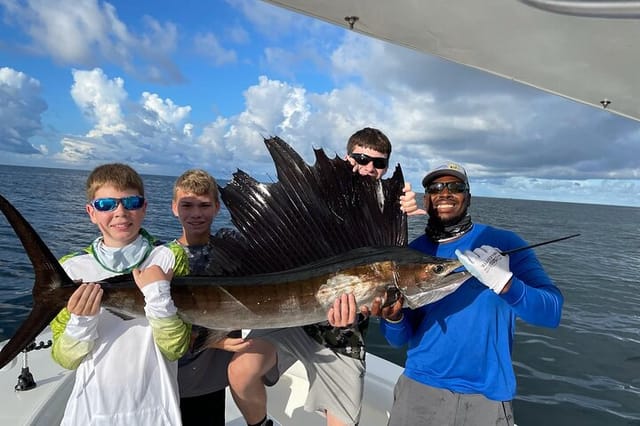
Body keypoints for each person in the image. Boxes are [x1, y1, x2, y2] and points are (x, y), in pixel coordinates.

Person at [227, 127, 418, 426]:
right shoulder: (318, 197)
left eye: (379, 163)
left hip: (343, 335)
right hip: (291, 322)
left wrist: (418, 208)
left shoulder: (387, 212)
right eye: (362, 158)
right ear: (347, 157)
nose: (369, 168)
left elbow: (398, 280)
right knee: (240, 370)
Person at [370, 161, 564, 425]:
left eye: (455, 186)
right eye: (436, 187)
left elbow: (551, 313)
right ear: (426, 200)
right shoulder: (410, 253)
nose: (445, 193)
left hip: (486, 396)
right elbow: (398, 340)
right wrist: (393, 318)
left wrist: (507, 284)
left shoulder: (506, 243)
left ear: (468, 196)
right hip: (420, 389)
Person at [49, 163, 191, 425]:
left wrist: (159, 296)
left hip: (158, 414)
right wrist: (81, 322)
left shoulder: (170, 257)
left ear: (144, 208)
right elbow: (65, 358)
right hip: (90, 415)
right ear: (91, 212)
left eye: (131, 202)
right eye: (106, 205)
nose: (121, 212)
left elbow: (177, 348)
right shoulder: (70, 268)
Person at [172, 169, 250, 425]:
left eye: (204, 205)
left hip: (210, 381)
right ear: (174, 208)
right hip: (169, 376)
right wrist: (215, 342)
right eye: (187, 205)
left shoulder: (234, 251)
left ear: (217, 207)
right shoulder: (162, 257)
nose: (196, 213)